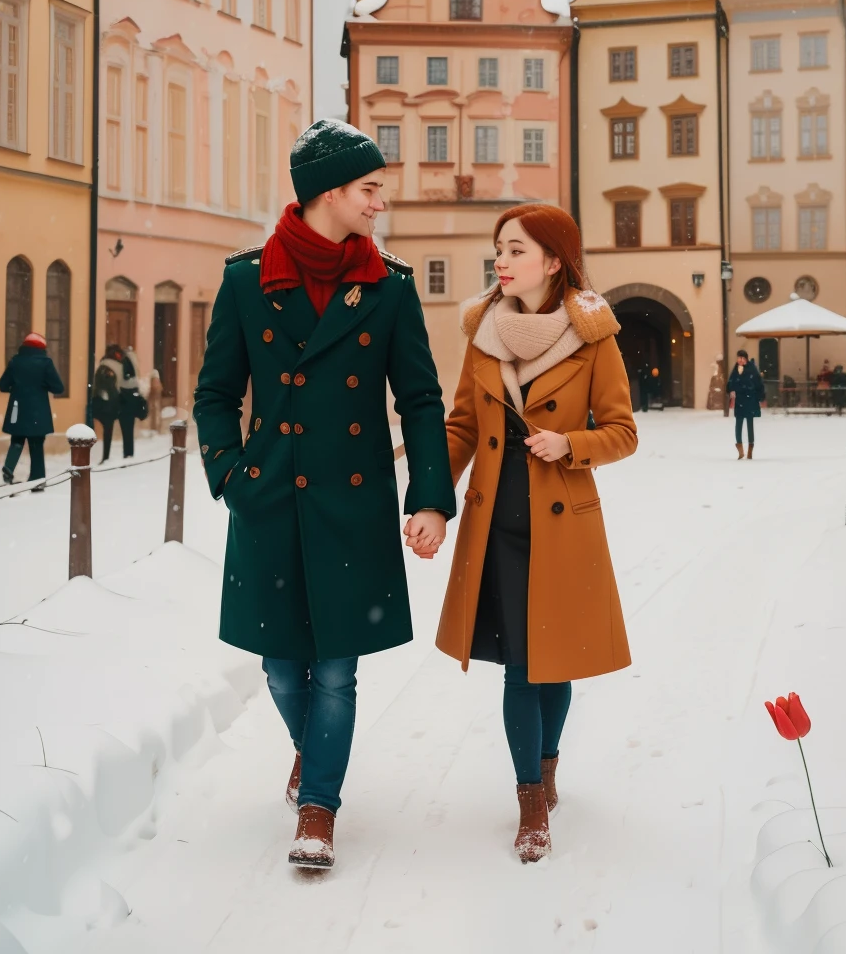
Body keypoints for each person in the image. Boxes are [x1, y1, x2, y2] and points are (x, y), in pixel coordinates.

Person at [193, 119, 455, 872]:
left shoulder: (389, 287)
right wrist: (230, 475)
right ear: (327, 192)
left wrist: (428, 496)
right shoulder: (247, 281)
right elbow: (214, 395)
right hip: (269, 502)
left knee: (336, 667)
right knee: (281, 669)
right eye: (370, 190)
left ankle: (319, 810)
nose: (380, 204)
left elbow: (421, 399)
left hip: (352, 502)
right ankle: (314, 755)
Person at [435, 205, 637, 863]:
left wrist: (569, 444)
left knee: (558, 666)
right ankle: (530, 801)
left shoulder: (594, 335)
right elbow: (462, 426)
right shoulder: (481, 332)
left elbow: (623, 432)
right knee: (523, 669)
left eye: (516, 249)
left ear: (554, 260)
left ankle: (547, 767)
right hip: (497, 528)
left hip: (563, 530)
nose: (503, 259)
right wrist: (429, 492)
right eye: (499, 249)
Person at [0, 332, 65, 487]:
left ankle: (9, 468)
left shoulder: (15, 361)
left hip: (18, 409)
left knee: (17, 440)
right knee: (36, 445)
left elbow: (2, 385)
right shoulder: (45, 363)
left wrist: (18, 388)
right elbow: (58, 387)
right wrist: (42, 386)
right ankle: (37, 479)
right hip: (38, 411)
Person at [727, 348, 764, 459]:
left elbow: (758, 384)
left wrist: (760, 397)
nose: (740, 360)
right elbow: (731, 382)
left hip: (750, 400)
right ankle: (740, 450)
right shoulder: (735, 369)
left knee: (749, 424)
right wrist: (731, 390)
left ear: (746, 359)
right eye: (739, 358)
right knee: (738, 423)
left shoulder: (752, 370)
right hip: (740, 401)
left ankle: (750, 451)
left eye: (742, 358)